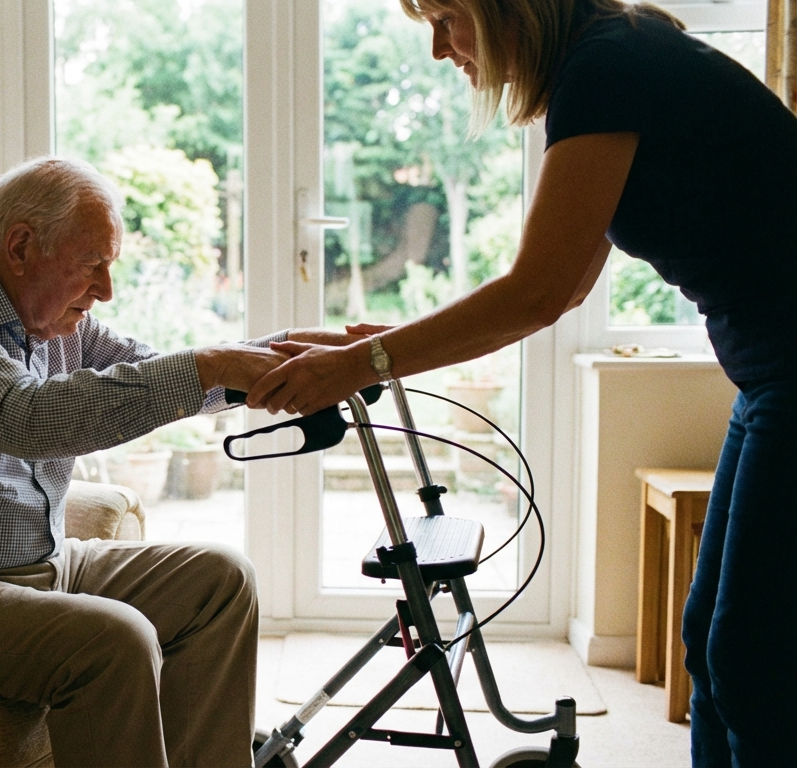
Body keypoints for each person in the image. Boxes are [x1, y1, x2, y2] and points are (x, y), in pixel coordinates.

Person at [247, 1, 797, 763]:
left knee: (753, 660)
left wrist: (359, 366)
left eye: (446, 17)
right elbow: (566, 284)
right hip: (767, 372)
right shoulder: (613, 58)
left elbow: (538, 293)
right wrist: (369, 344)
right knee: (712, 639)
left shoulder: (606, 67)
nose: (441, 50)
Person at [0, 156, 354, 767]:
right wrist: (211, 365)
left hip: (41, 565)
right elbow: (25, 418)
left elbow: (168, 370)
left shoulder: (55, 323)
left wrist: (305, 354)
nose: (106, 288)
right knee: (114, 641)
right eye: (92, 264)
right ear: (21, 245)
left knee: (220, 581)